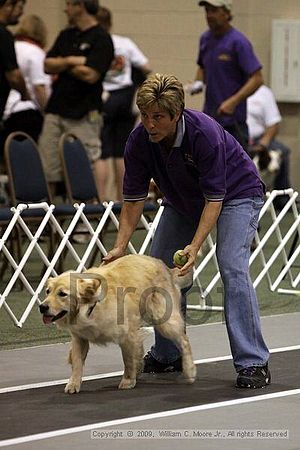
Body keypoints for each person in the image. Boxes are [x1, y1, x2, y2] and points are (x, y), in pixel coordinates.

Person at [104, 73, 271, 389]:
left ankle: (253, 362)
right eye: (145, 116)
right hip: (182, 199)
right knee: (157, 269)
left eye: (158, 118)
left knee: (232, 267)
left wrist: (195, 245)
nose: (150, 125)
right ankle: (168, 356)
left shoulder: (203, 134)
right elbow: (133, 198)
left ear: (176, 114)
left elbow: (215, 199)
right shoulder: (139, 141)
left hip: (237, 194)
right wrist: (120, 245)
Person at [38, 0, 114, 196]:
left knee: (85, 162)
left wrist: (63, 62)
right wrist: (75, 61)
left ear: (80, 6)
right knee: (49, 164)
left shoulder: (101, 38)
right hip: (56, 110)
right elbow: (47, 65)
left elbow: (92, 75)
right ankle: (47, 216)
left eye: (69, 4)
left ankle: (90, 213)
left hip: (84, 112)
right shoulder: (66, 35)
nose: (65, 9)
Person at [187, 0, 263, 150]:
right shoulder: (205, 39)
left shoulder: (238, 42)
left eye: (214, 10)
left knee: (237, 172)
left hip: (233, 124)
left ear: (227, 12)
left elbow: (257, 78)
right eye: (207, 10)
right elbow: (202, 67)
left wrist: (233, 102)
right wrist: (198, 83)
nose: (209, 15)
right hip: (209, 121)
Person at [96, 6, 151, 201]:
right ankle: (122, 198)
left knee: (101, 152)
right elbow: (146, 66)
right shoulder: (124, 43)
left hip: (104, 97)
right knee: (121, 150)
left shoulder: (95, 43)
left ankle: (102, 200)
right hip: (125, 97)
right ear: (110, 23)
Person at [2, 14, 51, 143]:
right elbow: (38, 87)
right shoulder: (36, 53)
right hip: (26, 111)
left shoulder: (11, 46)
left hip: (6, 108)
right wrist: (47, 112)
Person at [247, 84, 291, 209]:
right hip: (236, 137)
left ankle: (282, 198)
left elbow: (274, 124)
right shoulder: (227, 86)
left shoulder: (263, 92)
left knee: (283, 150)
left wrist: (263, 143)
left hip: (259, 138)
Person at [0, 0, 28, 127]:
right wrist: (24, 94)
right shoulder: (4, 35)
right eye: (19, 8)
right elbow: (14, 77)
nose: (21, 13)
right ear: (7, 6)